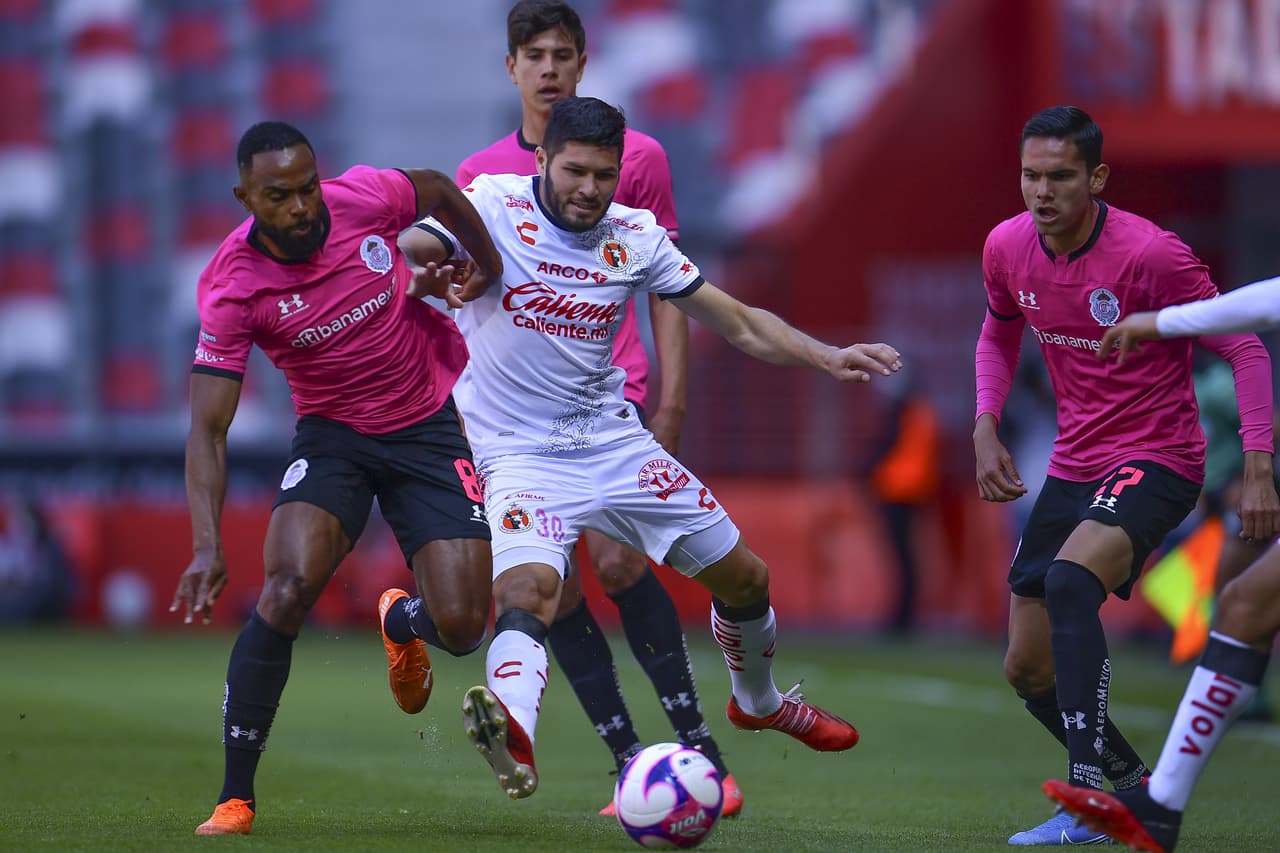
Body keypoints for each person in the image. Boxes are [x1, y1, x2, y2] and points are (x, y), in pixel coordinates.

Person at [401, 96, 896, 800]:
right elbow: (416, 243)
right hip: (518, 457)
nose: (589, 189)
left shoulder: (634, 235)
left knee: (747, 580)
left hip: (615, 446)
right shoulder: (491, 205)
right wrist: (427, 268)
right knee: (527, 591)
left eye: (604, 175)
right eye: (575, 171)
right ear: (542, 159)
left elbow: (739, 322)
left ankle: (758, 702)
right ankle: (512, 730)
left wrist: (827, 355)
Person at [441, 0, 740, 816]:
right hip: (517, 418)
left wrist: (673, 398)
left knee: (618, 563)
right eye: (533, 54)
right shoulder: (481, 174)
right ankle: (629, 760)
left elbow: (668, 280)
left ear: (582, 63)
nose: (548, 68)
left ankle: (702, 750)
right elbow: (465, 294)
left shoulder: (635, 157)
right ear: (511, 67)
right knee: (556, 590)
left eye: (562, 54)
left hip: (613, 393)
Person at [170, 120, 504, 836]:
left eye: (306, 188)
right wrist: (206, 545)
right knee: (286, 588)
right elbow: (208, 429)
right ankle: (235, 798)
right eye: (278, 195)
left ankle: (400, 621)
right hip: (334, 437)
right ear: (245, 197)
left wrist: (488, 265)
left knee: (463, 627)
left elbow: (439, 188)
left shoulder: (363, 198)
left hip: (425, 422)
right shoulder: (234, 285)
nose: (300, 207)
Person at [972, 105, 1280, 846]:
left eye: (1060, 176)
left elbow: (1244, 347)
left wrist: (1260, 468)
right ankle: (1134, 791)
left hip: (1159, 457)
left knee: (1071, 581)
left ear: (1098, 177)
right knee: (1026, 668)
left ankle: (1084, 802)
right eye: (1031, 176)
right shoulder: (1006, 246)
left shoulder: (1152, 256)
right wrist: (984, 424)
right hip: (1073, 463)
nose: (1042, 192)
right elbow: (998, 332)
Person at [1044, 272, 1280, 852]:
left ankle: (1160, 798)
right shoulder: (1191, 377)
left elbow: (1258, 322)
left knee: (1230, 593)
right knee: (1238, 602)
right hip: (1211, 495)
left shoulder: (1217, 382)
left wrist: (1253, 473)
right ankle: (1160, 806)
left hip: (1231, 491)